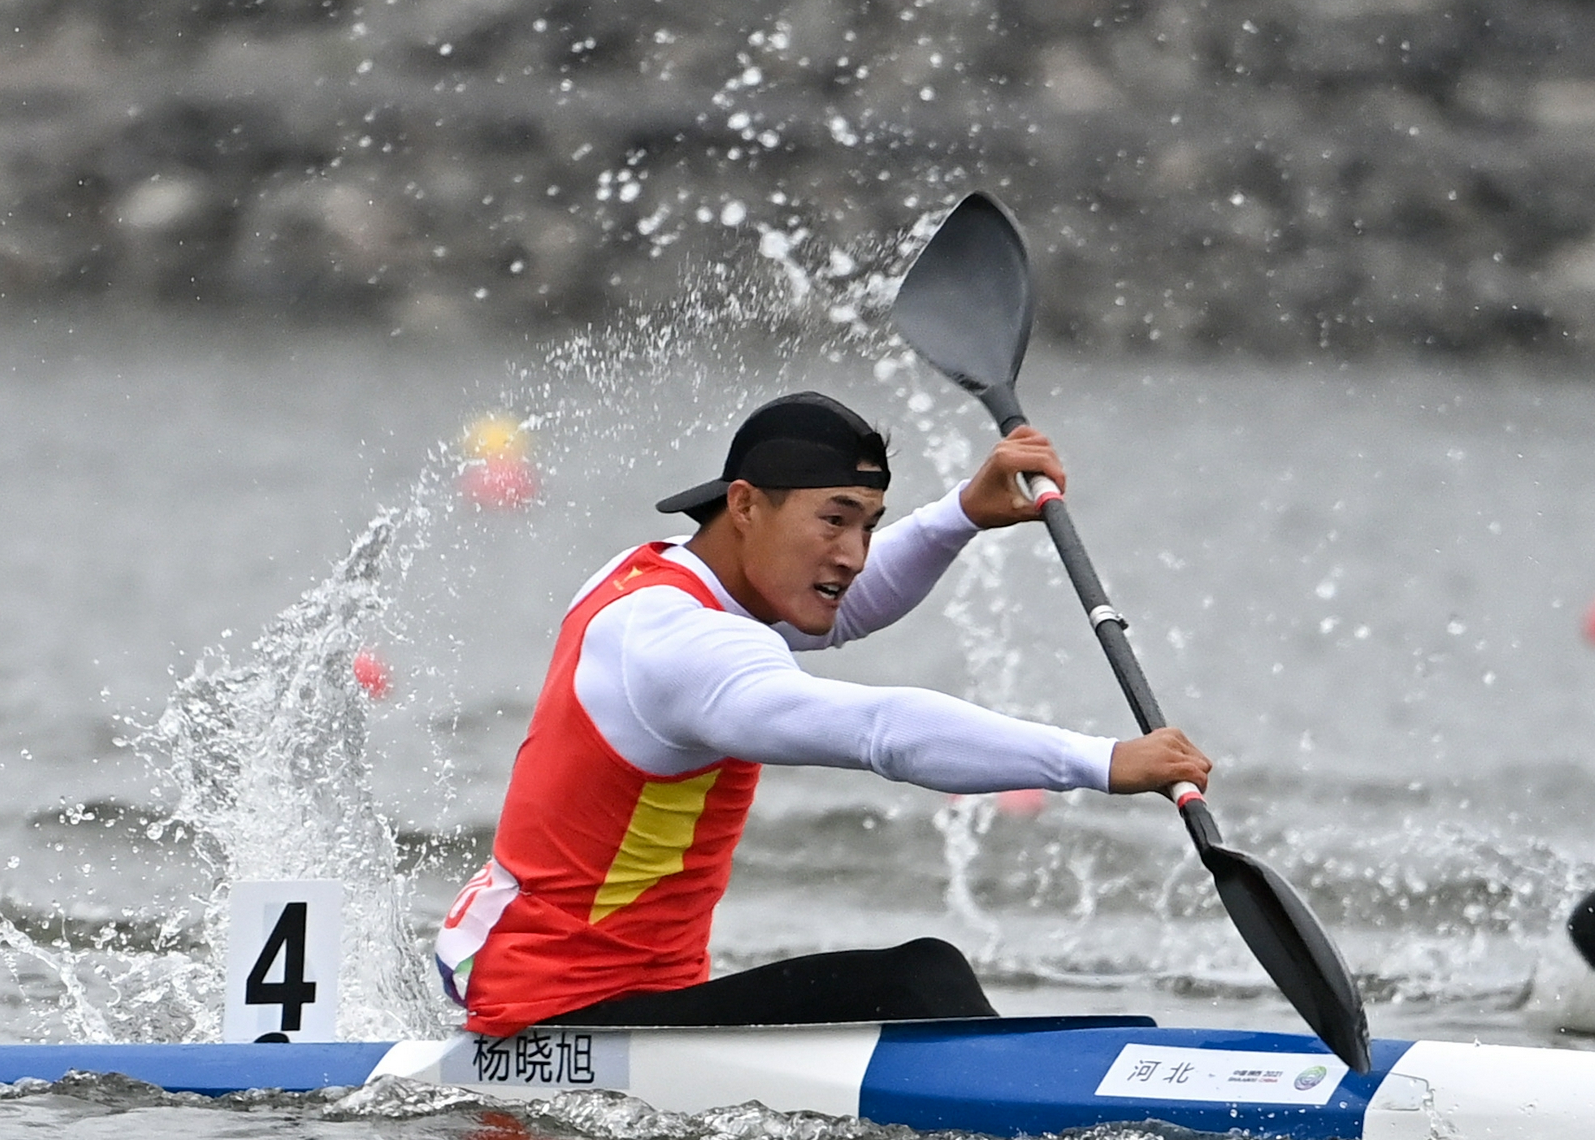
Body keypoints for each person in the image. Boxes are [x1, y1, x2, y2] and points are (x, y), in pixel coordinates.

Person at [436, 391, 1211, 1036]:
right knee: (919, 979)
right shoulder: (677, 646)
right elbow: (884, 733)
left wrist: (961, 514)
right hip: (564, 1017)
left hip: (595, 996)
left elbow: (841, 608)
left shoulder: (663, 577)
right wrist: (1103, 761)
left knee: (909, 985)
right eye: (834, 520)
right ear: (744, 505)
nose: (855, 553)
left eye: (868, 523)